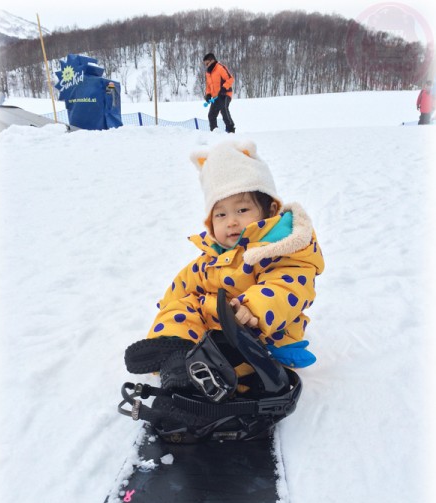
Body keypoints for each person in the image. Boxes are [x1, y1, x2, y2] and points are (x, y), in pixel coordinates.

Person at [125, 139, 325, 388]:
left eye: (241, 210)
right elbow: (187, 282)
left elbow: (287, 286)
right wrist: (169, 308)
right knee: (184, 307)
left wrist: (252, 310)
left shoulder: (281, 247)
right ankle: (174, 359)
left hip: (264, 332)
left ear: (270, 209)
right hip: (222, 321)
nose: (231, 221)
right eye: (221, 214)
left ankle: (206, 377)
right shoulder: (215, 255)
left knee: (227, 349)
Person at [203, 52, 236, 133]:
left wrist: (224, 88)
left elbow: (230, 79)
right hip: (215, 97)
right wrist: (208, 94)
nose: (206, 66)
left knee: (224, 110)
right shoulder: (208, 73)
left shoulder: (220, 68)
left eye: (207, 63)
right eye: (205, 64)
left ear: (212, 61)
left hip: (224, 95)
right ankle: (214, 131)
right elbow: (208, 86)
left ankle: (231, 129)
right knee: (211, 115)